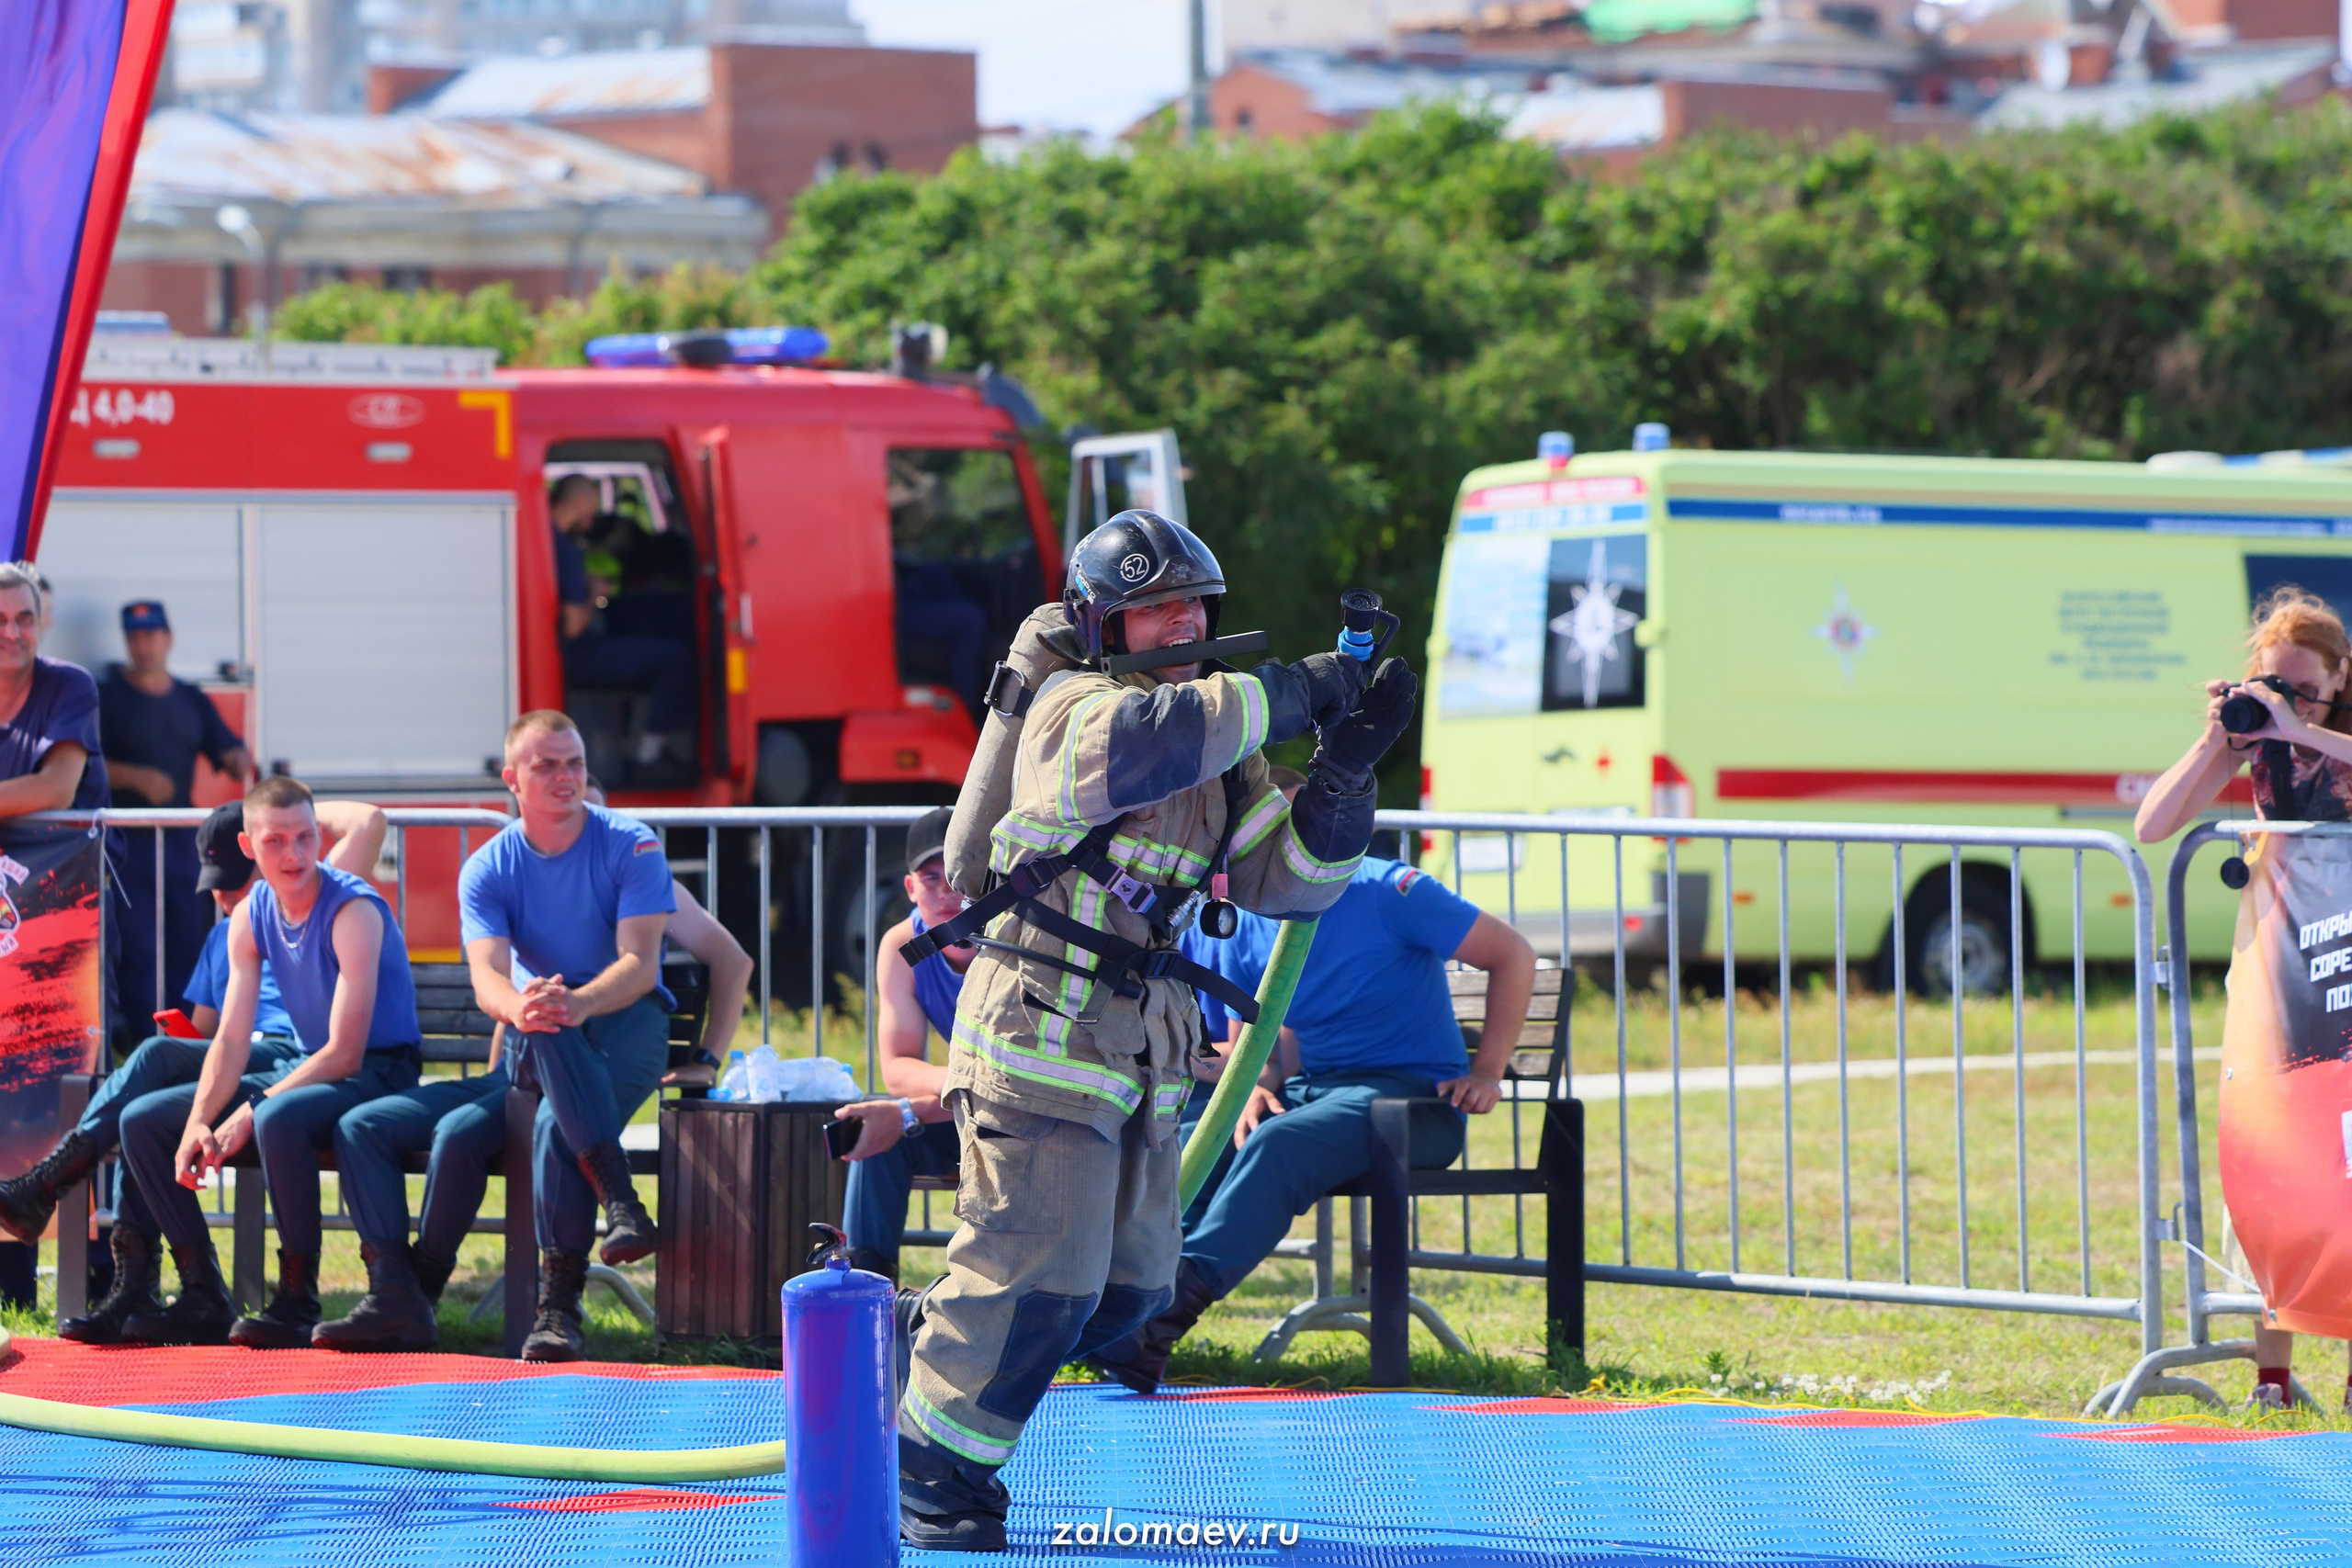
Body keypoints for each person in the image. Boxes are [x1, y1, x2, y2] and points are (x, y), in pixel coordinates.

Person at [893, 510, 1415, 1551]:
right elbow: (1144, 749)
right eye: (1152, 607)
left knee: (1126, 1294)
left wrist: (1345, 784)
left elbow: (1290, 883)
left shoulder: (1223, 748)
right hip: (1040, 1027)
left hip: (1138, 1045)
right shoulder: (1073, 707)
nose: (1179, 621)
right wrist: (1296, 690)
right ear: (1102, 626)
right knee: (1038, 1273)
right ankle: (933, 1471)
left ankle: (923, 1338)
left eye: (1192, 603)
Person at [1081, 773, 1536, 1393]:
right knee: (1186, 1133)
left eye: (1286, 830)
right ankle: (1115, 1306)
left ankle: (1158, 1320)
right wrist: (1258, 1084)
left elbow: (1513, 953)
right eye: (1258, 834)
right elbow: (1264, 1036)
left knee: (1281, 1143)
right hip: (1319, 1095)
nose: (1273, 849)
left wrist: (1487, 1071)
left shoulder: (1389, 890)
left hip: (1413, 1106)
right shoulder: (1243, 920)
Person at [317, 774, 748, 1354]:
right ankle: (412, 1294)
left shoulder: (637, 870)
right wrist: (503, 1076)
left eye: (589, 818)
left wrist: (708, 1059)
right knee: (460, 1125)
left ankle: (550, 1305)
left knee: (549, 1108)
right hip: (533, 1049)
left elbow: (730, 959)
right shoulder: (509, 868)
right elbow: (509, 996)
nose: (573, 836)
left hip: (601, 1043)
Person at [2136, 584, 2352, 1411]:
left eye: (2305, 686)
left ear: (2340, 677)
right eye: (2275, 684)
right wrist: (2218, 740)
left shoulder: (2326, 728)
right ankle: (2271, 1380)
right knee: (2282, 1169)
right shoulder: (2256, 735)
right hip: (2282, 975)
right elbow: (2153, 826)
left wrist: (2300, 728)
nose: (2288, 701)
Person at [109, 777, 419, 1348]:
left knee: (276, 1117)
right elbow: (228, 1038)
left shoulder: (353, 909)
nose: (296, 854)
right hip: (309, 1065)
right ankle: (202, 1292)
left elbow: (347, 1053)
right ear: (249, 848)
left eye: (306, 837)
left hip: (379, 1070)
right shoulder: (251, 915)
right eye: (276, 841)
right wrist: (201, 1119)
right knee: (146, 1121)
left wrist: (251, 1109)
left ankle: (296, 1299)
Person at [459, 711, 675, 1361]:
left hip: (625, 1022)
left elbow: (641, 965)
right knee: (541, 1020)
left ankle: (558, 1310)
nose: (565, 776)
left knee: (558, 1125)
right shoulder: (487, 866)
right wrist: (525, 1009)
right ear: (512, 781)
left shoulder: (631, 842)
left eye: (574, 762)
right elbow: (488, 979)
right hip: (545, 1029)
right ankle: (620, 1198)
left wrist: (576, 1002)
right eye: (546, 765)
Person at [0, 560, 109, 1311]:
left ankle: (98, 1271)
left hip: (75, 919)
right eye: (0, 621)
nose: (13, 633)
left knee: (77, 1084)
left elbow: (56, 789)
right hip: (11, 925)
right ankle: (11, 1281)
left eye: (25, 619)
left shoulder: (69, 685)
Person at [100, 599, 254, 1037]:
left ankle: (191, 1039)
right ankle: (148, 1040)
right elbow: (81, 763)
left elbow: (226, 749)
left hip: (185, 847)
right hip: (129, 847)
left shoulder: (190, 699)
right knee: (140, 946)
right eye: (135, 637)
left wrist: (237, 757)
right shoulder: (106, 696)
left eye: (152, 636)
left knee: (191, 938)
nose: (144, 646)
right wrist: (135, 776)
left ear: (169, 640)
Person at [833, 806, 970, 1280]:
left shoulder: (1013, 937)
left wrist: (915, 1106)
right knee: (876, 1130)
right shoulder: (900, 944)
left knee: (892, 1115)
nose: (948, 891)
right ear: (910, 889)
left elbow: (1019, 1080)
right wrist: (962, 1084)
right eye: (932, 878)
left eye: (959, 872)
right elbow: (898, 1069)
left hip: (1029, 1116)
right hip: (968, 1105)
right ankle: (865, 1289)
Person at [548, 476, 696, 778]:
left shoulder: (549, 540)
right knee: (677, 659)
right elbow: (574, 626)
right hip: (582, 655)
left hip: (571, 653)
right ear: (578, 503)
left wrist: (587, 586)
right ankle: (647, 759)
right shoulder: (567, 553)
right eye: (591, 512)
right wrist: (596, 594)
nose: (591, 524)